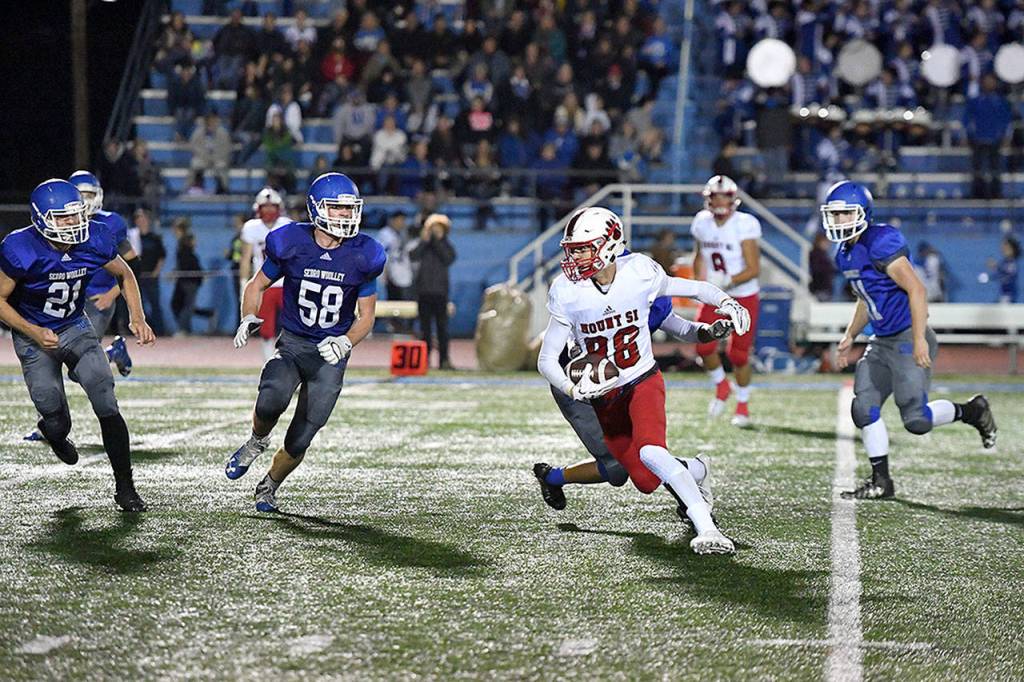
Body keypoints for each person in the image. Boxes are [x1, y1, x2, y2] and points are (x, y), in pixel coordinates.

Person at [537, 206, 751, 555]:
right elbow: (547, 359)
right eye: (573, 250)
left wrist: (725, 308)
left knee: (651, 451)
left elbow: (689, 305)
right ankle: (697, 469)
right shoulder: (567, 290)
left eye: (584, 249)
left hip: (640, 379)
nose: (575, 258)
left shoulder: (639, 274)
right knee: (641, 478)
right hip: (590, 387)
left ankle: (707, 527)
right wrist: (573, 388)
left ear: (609, 246)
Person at [824, 181, 996, 499]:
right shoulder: (844, 254)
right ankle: (881, 482)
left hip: (906, 336)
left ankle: (973, 411)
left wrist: (919, 339)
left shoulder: (880, 241)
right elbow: (866, 298)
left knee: (916, 420)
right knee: (863, 408)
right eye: (834, 215)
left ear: (863, 213)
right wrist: (850, 334)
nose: (839, 221)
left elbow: (916, 289)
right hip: (880, 340)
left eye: (845, 214)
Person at [226, 173, 385, 513]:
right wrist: (248, 315)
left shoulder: (364, 254)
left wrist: (345, 342)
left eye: (349, 208)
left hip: (330, 355)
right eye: (337, 208)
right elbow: (256, 285)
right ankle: (256, 441)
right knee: (271, 398)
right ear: (316, 208)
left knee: (301, 437)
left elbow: (367, 317)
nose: (345, 215)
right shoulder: (292, 242)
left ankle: (269, 485)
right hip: (295, 344)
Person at [0, 179, 155, 511]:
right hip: (33, 335)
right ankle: (54, 433)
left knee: (104, 395)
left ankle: (125, 488)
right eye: (63, 217)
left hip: (74, 325)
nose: (73, 222)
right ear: (41, 219)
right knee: (56, 418)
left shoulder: (95, 236)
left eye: (76, 214)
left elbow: (125, 273)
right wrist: (32, 330)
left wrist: (137, 317)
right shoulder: (19, 247)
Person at [534, 287, 734, 514]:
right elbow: (555, 348)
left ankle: (690, 501)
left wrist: (710, 331)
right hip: (578, 384)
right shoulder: (585, 289)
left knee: (648, 452)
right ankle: (551, 477)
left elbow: (682, 328)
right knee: (616, 470)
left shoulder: (645, 284)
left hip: (628, 382)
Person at [691, 175, 762, 427]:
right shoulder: (702, 222)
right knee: (702, 345)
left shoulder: (745, 224)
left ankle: (743, 404)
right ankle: (722, 385)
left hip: (743, 295)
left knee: (738, 355)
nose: (720, 202)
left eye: (724, 197)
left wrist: (727, 281)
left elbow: (753, 269)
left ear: (733, 199)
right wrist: (698, 284)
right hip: (716, 294)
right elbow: (699, 255)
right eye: (716, 197)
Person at [68, 171, 136, 375]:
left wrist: (111, 294)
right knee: (65, 357)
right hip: (70, 299)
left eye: (89, 195)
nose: (85, 200)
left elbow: (133, 265)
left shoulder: (111, 223)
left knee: (81, 366)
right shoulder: (60, 223)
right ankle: (114, 352)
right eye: (80, 195)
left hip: (98, 298)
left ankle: (114, 353)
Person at [240, 188, 292, 359]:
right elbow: (245, 258)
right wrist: (244, 283)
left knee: (295, 326)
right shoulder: (251, 227)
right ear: (258, 209)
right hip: (264, 284)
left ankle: (292, 361)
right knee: (266, 329)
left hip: (287, 282)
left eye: (272, 207)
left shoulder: (287, 225)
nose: (269, 210)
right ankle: (269, 362)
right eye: (265, 207)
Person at [410, 213, 456, 369]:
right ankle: (424, 360)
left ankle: (444, 360)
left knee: (442, 328)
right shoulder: (424, 244)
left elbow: (448, 258)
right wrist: (425, 241)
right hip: (423, 292)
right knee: (425, 329)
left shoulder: (446, 245)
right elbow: (413, 256)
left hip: (440, 293)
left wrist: (437, 240)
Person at [135, 209, 167, 336]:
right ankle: (144, 330)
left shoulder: (155, 238)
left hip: (151, 276)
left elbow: (161, 256)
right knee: (139, 305)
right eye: (138, 219)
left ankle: (160, 330)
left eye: (143, 218)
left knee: (155, 304)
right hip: (137, 276)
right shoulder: (133, 238)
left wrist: (156, 272)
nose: (141, 221)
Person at [170, 219, 204, 335]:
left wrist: (178, 272)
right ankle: (186, 328)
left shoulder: (186, 241)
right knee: (178, 304)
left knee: (187, 306)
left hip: (189, 279)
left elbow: (187, 261)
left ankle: (184, 329)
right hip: (183, 278)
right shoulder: (181, 243)